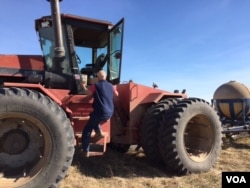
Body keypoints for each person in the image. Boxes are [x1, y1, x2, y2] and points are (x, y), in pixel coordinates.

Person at [81, 70, 118, 157]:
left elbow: (88, 95)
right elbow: (116, 94)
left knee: (87, 130)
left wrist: (83, 86)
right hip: (109, 112)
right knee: (93, 117)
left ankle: (86, 150)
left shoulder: (95, 85)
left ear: (98, 78)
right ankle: (99, 131)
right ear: (105, 77)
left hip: (100, 112)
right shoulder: (111, 86)